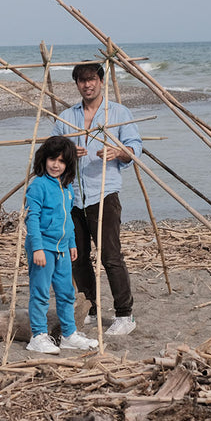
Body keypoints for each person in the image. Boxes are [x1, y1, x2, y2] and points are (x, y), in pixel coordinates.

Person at [52, 62, 142, 336]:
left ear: (101, 82)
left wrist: (119, 151)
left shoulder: (118, 113)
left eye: (91, 80)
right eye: (81, 81)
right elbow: (52, 153)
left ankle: (124, 314)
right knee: (77, 257)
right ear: (77, 84)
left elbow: (135, 148)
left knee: (111, 257)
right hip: (73, 196)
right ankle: (90, 308)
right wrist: (67, 153)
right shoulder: (66, 117)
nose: (87, 85)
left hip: (103, 193)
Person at [23, 135, 100, 355]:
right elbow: (33, 218)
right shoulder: (38, 185)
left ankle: (68, 335)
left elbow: (68, 219)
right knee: (40, 292)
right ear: (44, 159)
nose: (56, 165)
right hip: (43, 248)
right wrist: (37, 248)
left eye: (62, 161)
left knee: (66, 292)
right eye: (52, 159)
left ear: (68, 164)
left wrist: (72, 243)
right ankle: (38, 336)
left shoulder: (66, 188)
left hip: (63, 249)